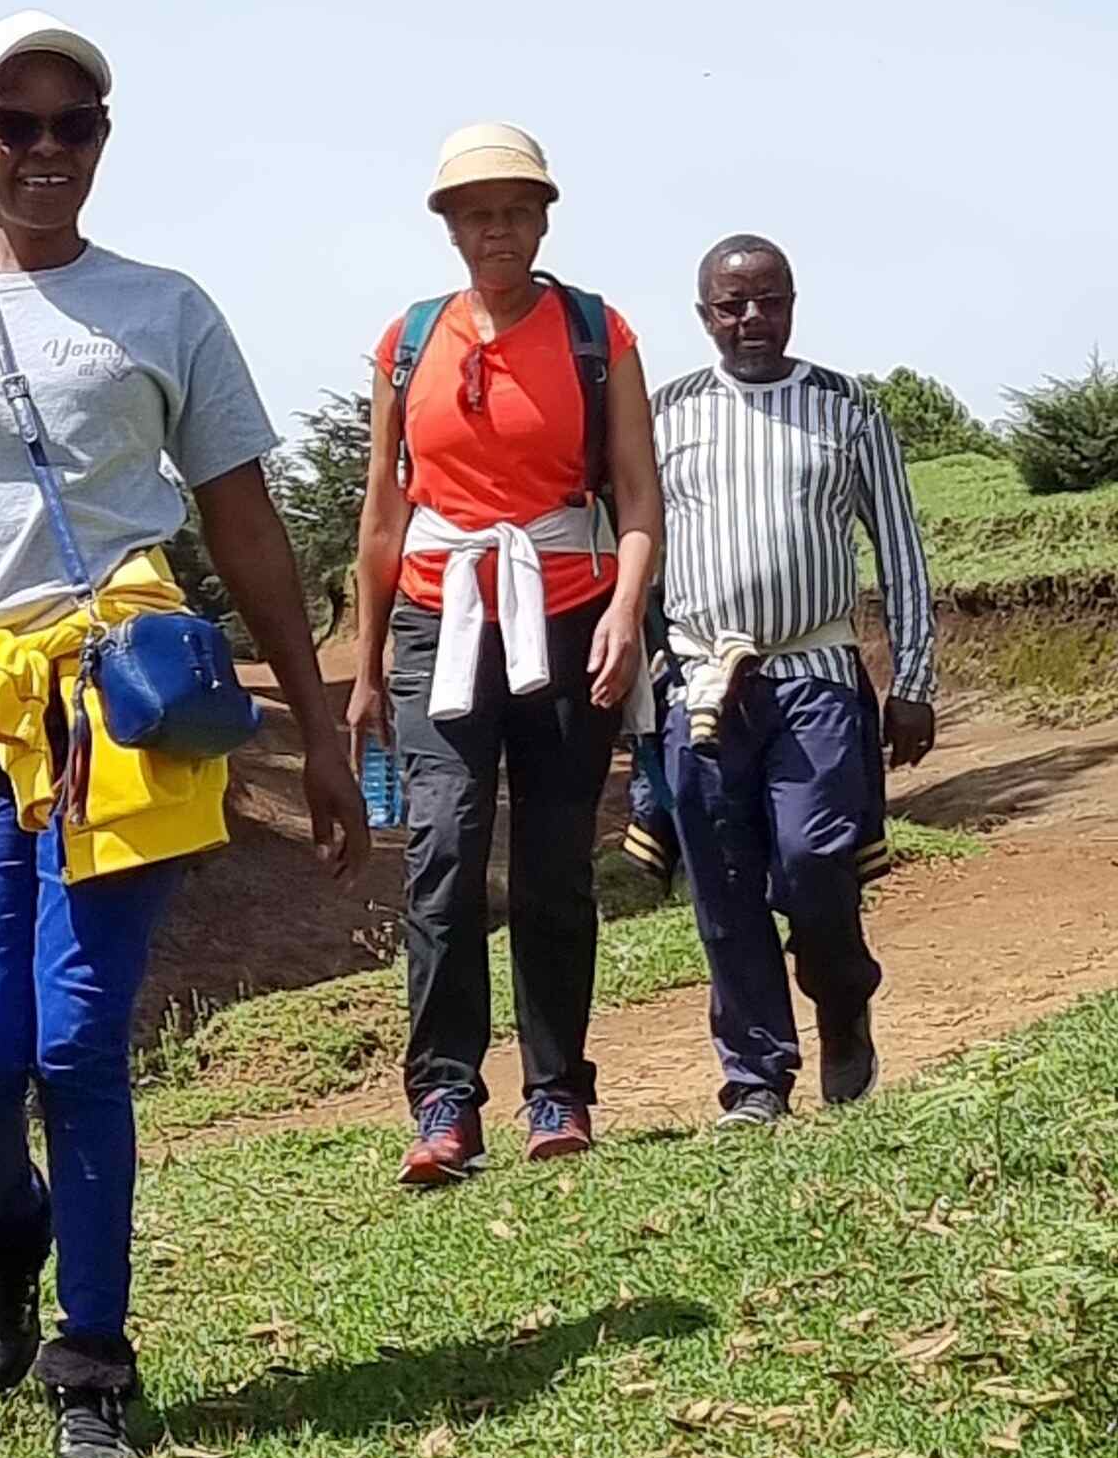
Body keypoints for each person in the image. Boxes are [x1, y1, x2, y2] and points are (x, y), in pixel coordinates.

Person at [0, 13, 368, 1458]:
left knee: (78, 1038)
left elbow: (245, 526)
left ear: (104, 142)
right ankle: (3, 1227)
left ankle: (94, 1357)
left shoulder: (167, 310)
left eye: (75, 125)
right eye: (15, 124)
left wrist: (320, 731)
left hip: (117, 712)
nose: (45, 151)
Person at [348, 123, 661, 1185]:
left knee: (554, 859)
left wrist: (626, 608)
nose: (495, 224)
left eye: (515, 206)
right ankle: (445, 1097)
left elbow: (636, 492)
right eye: (474, 208)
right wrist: (362, 658)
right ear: (447, 225)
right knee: (442, 845)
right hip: (440, 620)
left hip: (569, 612)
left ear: (543, 217)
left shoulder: (596, 332)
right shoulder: (408, 340)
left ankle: (558, 1087)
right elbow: (385, 512)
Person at [652, 234, 936, 1127]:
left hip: (815, 673)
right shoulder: (664, 415)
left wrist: (913, 680)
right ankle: (755, 1079)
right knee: (724, 883)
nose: (751, 320)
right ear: (705, 317)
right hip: (700, 684)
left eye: (768, 300)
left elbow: (901, 553)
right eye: (732, 306)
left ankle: (842, 1002)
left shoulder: (847, 410)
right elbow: (637, 556)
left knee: (816, 858)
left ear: (793, 303)